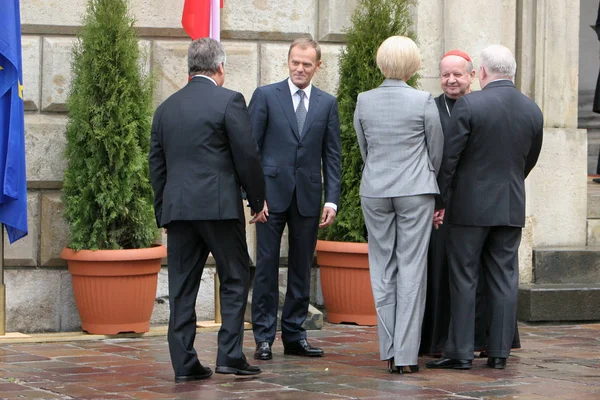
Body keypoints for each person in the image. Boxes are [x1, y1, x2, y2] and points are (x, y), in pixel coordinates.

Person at [149, 38, 268, 382]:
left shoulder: (165, 109)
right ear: (220, 68)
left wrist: (164, 214)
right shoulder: (229, 100)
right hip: (219, 209)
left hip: (179, 211)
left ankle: (184, 364)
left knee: (182, 287)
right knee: (235, 275)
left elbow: (156, 167)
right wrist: (258, 202)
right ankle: (230, 354)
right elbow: (247, 156)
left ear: (190, 67)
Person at [427, 44, 543, 370]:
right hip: (510, 205)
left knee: (464, 277)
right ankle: (499, 353)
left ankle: (461, 352)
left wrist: (440, 201)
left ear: (481, 73)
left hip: (468, 208)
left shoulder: (468, 105)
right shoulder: (532, 109)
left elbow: (449, 161)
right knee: (505, 278)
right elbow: (528, 160)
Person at [354, 36, 443, 374]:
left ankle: (389, 349)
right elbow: (435, 150)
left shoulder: (364, 99)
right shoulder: (423, 100)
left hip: (375, 189)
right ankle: (406, 354)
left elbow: (364, 148)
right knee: (412, 268)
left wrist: (379, 172)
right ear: (413, 64)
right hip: (416, 189)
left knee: (382, 266)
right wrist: (424, 177)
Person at [248, 37, 341, 361]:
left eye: (306, 64)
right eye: (295, 62)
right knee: (267, 267)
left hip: (308, 197)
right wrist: (255, 198)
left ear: (317, 66)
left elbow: (332, 156)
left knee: (302, 268)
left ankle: (294, 335)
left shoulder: (327, 103)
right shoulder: (266, 96)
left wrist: (332, 200)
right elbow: (251, 150)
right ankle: (262, 337)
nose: (300, 69)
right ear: (288, 62)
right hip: (270, 199)